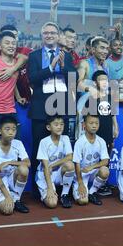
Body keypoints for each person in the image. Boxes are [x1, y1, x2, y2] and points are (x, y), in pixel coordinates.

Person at [27, 21, 77, 199]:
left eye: (53, 33)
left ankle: (63, 186)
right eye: (46, 33)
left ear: (58, 36)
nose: (49, 35)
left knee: (62, 149)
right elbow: (32, 78)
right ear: (42, 36)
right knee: (38, 149)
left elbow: (73, 78)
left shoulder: (67, 56)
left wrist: (63, 66)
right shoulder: (33, 56)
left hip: (61, 108)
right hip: (41, 109)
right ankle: (37, 187)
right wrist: (50, 67)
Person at [0, 116, 30, 215]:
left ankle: (17, 199)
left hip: (12, 176)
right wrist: (7, 196)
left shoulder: (18, 144)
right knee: (8, 210)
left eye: (14, 129)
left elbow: (28, 163)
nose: (11, 132)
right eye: (7, 129)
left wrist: (9, 162)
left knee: (24, 169)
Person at [35, 115, 75, 208]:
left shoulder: (65, 138)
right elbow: (45, 167)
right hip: (45, 174)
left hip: (57, 172)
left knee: (70, 165)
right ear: (49, 127)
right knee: (52, 204)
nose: (59, 127)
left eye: (61, 124)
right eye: (56, 124)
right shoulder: (44, 142)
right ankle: (50, 190)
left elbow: (70, 156)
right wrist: (49, 188)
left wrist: (52, 165)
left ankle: (64, 195)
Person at [72, 114, 110, 206]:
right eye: (91, 123)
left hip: (93, 172)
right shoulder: (80, 142)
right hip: (81, 174)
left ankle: (92, 192)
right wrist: (80, 183)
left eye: (96, 123)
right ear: (84, 125)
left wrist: (91, 167)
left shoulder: (101, 141)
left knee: (105, 171)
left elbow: (105, 161)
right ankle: (76, 186)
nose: (94, 125)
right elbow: (76, 164)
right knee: (83, 201)